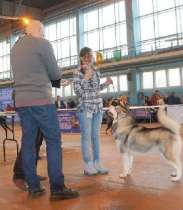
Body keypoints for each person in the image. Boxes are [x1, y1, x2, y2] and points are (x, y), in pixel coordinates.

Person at [11, 19, 79, 200]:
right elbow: (55, 73)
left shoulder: (15, 48)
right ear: (38, 30)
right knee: (54, 141)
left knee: (28, 142)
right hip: (41, 99)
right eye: (43, 32)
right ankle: (57, 187)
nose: (44, 35)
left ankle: (33, 187)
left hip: (22, 101)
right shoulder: (42, 43)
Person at [74, 47, 113, 176]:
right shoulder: (77, 72)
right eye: (85, 56)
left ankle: (97, 163)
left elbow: (96, 90)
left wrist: (106, 84)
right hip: (85, 108)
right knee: (86, 137)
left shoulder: (96, 71)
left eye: (90, 56)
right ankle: (88, 165)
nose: (88, 58)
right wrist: (85, 77)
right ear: (81, 58)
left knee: (96, 137)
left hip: (98, 107)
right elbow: (78, 92)